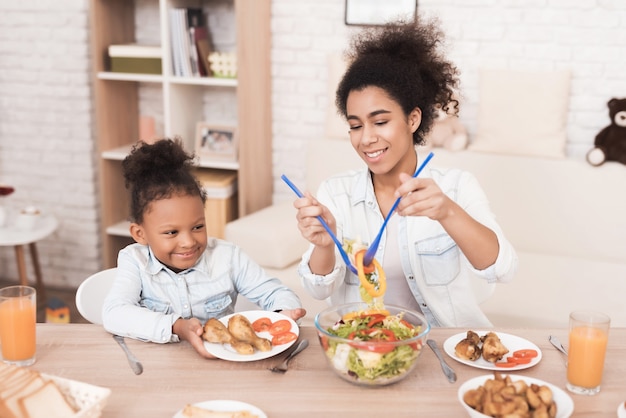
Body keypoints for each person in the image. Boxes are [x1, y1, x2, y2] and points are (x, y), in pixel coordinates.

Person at [293, 18, 517, 328]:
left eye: (380, 122)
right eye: (356, 126)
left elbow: (501, 269)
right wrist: (323, 243)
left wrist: (447, 213)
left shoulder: (455, 187)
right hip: (365, 349)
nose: (366, 138)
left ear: (413, 120)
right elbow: (319, 289)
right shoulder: (335, 192)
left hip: (441, 347)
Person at [102, 138, 306, 359]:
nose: (189, 242)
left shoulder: (228, 257)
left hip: (223, 364)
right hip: (158, 366)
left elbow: (278, 294)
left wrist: (282, 314)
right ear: (140, 234)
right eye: (172, 232)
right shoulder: (134, 261)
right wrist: (177, 327)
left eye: (198, 227)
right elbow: (114, 313)